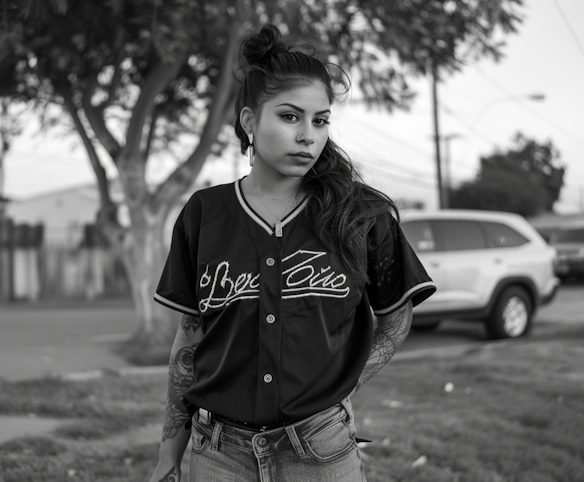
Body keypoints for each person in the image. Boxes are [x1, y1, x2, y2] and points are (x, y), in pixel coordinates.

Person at [149, 24, 436, 482]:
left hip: (320, 450)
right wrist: (169, 451)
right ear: (248, 122)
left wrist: (342, 387)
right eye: (289, 117)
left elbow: (397, 318)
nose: (308, 135)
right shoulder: (205, 213)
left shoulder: (360, 215)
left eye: (320, 120)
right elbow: (189, 338)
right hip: (218, 453)